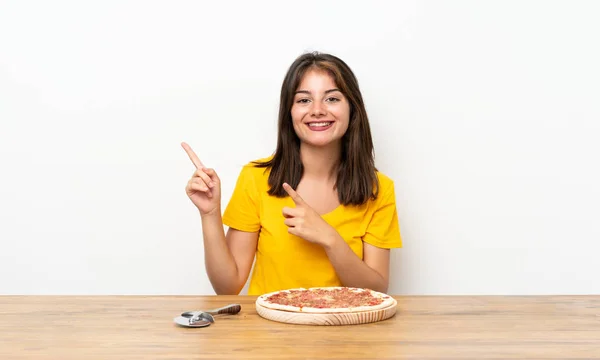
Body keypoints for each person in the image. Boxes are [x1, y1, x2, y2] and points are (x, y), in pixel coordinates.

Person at [182, 52, 402, 296]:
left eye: (331, 98)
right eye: (304, 100)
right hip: (270, 332)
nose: (317, 110)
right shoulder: (255, 179)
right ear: (289, 112)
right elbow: (228, 286)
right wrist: (210, 214)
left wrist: (330, 239)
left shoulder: (378, 189)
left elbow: (376, 291)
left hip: (342, 330)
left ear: (353, 109)